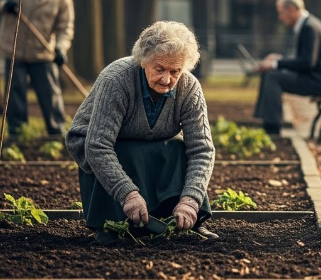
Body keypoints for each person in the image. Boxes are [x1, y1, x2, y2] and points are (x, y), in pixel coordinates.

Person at [65, 21, 217, 244]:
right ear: (143, 61)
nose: (166, 79)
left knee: (177, 148)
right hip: (101, 145)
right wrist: (128, 194)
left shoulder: (189, 88)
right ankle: (111, 225)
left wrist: (191, 200)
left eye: (175, 71)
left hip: (153, 142)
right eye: (159, 69)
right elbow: (98, 145)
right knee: (124, 151)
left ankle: (186, 221)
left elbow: (202, 149)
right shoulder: (116, 80)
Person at [0, 0, 74, 138]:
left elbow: (65, 27)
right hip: (13, 50)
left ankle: (57, 133)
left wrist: (60, 48)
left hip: (42, 53)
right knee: (15, 92)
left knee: (50, 93)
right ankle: (18, 133)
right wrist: (5, 5)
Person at [254, 0, 321, 134]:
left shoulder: (309, 28)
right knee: (270, 73)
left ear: (292, 9)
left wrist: (277, 63)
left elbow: (307, 63)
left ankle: (272, 127)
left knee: (273, 77)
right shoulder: (308, 24)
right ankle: (267, 122)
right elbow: (305, 59)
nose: (280, 18)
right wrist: (279, 60)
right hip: (317, 77)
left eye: (281, 13)